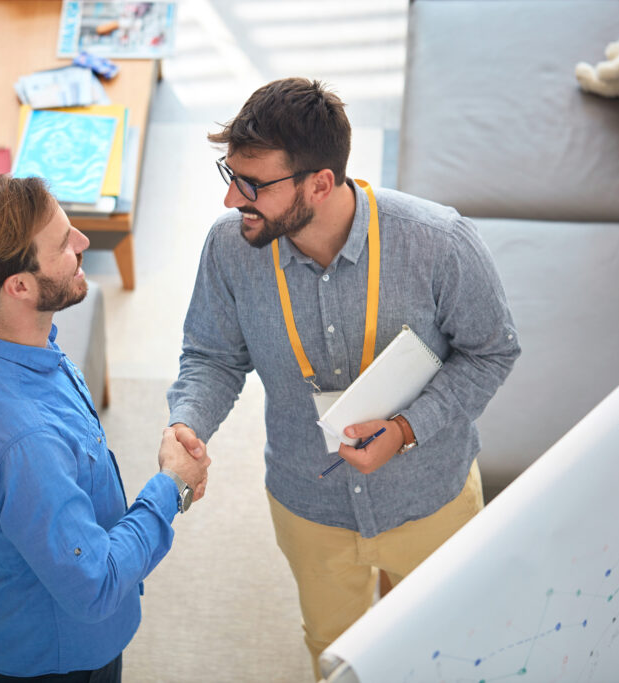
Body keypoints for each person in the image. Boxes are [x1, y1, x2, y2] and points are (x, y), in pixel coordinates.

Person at [166, 77, 521, 678]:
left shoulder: (439, 243)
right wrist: (185, 424)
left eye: (253, 185)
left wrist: (408, 427)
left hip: (430, 499)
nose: (233, 201)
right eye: (230, 177)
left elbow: (493, 352)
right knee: (334, 649)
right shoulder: (229, 249)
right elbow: (212, 356)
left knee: (452, 642)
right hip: (309, 506)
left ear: (320, 183)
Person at [0, 174, 210, 682]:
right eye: (63, 243)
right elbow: (96, 585)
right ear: (18, 286)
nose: (82, 243)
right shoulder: (29, 448)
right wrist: (172, 486)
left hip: (5, 609)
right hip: (61, 656)